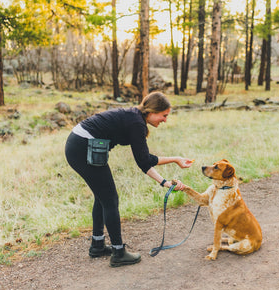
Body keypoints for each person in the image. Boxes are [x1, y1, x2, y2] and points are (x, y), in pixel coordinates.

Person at [65, 92, 192, 267]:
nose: (165, 120)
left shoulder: (136, 118)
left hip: (80, 144)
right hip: (82, 147)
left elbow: (143, 163)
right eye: (164, 115)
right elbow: (145, 160)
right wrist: (176, 159)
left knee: (102, 197)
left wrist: (164, 182)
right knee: (110, 199)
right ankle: (118, 252)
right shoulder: (136, 123)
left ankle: (98, 245)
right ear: (153, 111)